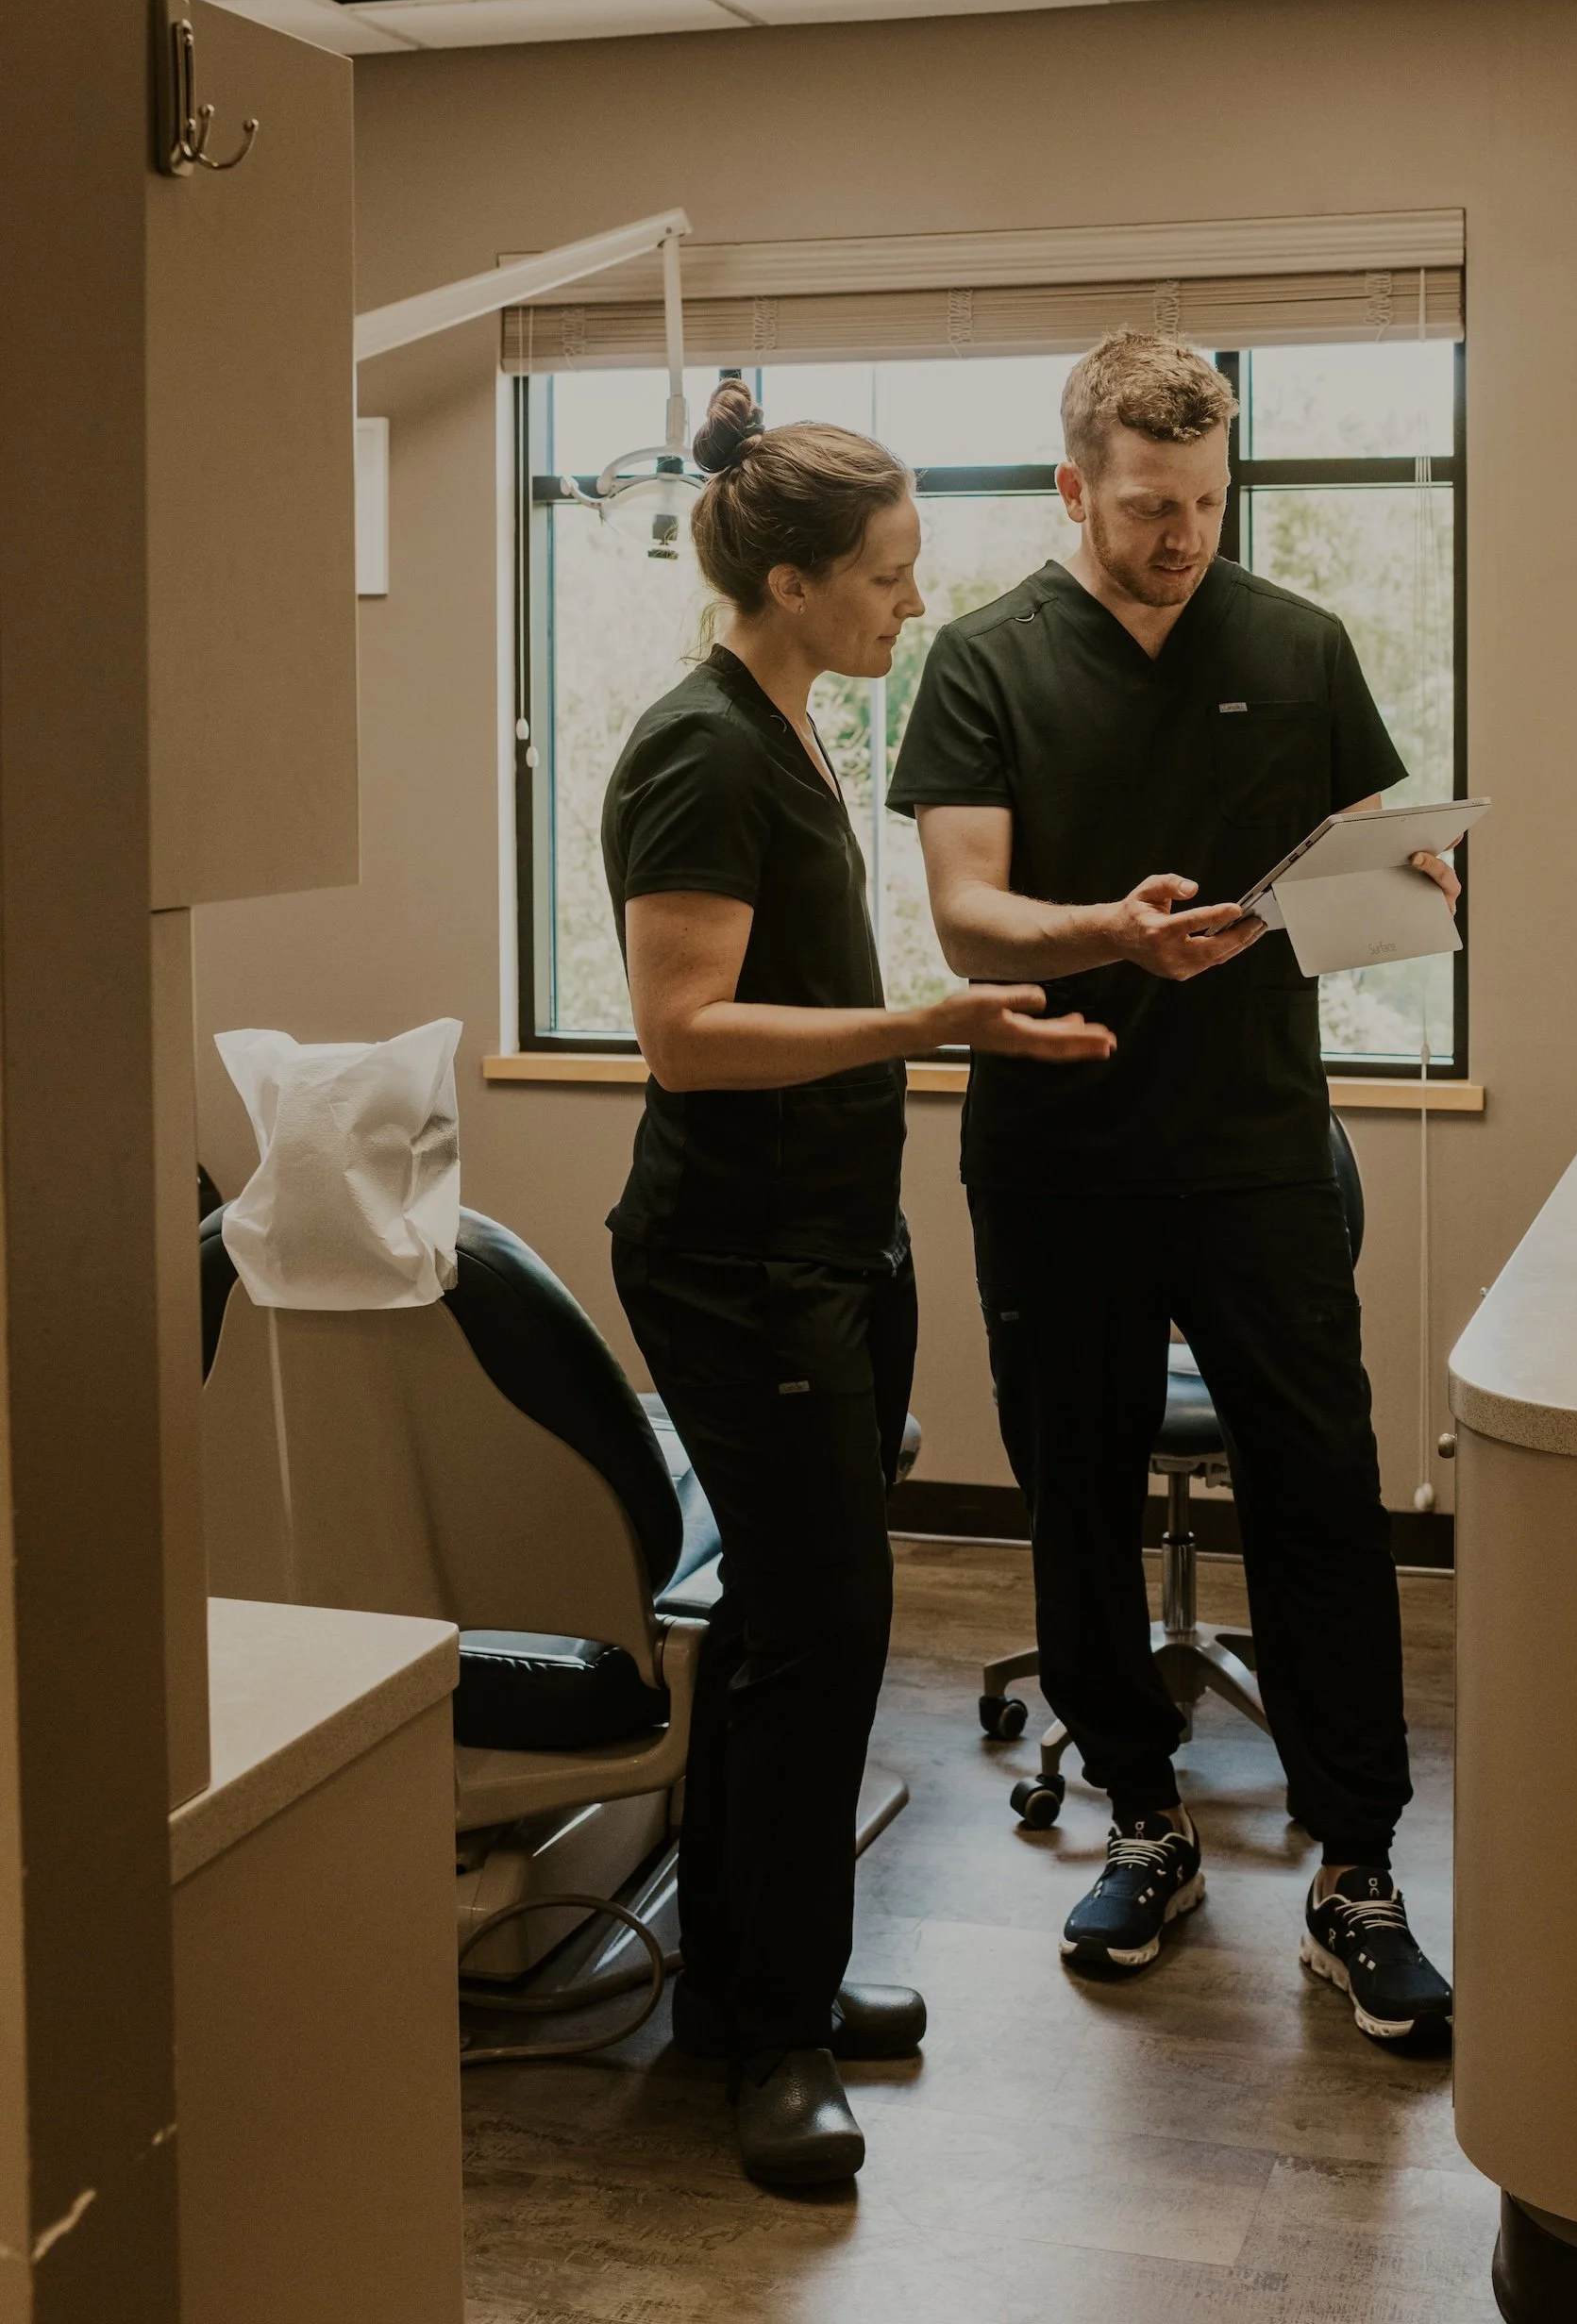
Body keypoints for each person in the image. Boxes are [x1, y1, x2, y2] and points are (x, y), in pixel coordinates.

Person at [886, 330, 1459, 2043]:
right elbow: (967, 914)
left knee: (1323, 1481)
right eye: (1149, 505)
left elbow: (1373, 831)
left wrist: (1423, 872)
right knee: (1076, 1490)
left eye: (1206, 501)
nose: (1183, 534)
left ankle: (1354, 1867)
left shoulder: (1296, 641)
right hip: (1059, 1145)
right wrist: (1114, 936)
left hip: (1259, 1143)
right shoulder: (987, 659)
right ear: (1076, 486)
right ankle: (1145, 1821)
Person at [602, 376, 1114, 2186]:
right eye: (888, 577)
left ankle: (743, 1990)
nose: (913, 603)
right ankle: (777, 2031)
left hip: (828, 1237)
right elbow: (684, 1037)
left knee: (781, 1629)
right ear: (799, 581)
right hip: (740, 1262)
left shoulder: (792, 721)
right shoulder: (703, 746)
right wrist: (929, 1023)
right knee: (822, 1633)